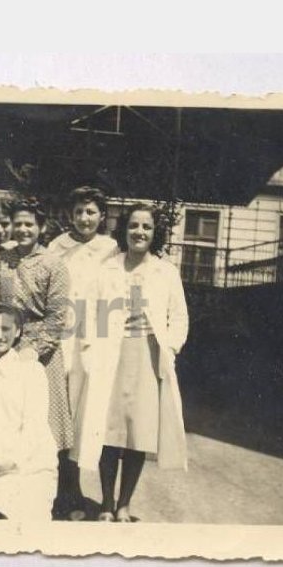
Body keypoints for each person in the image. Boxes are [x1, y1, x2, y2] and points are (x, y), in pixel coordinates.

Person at [74, 203, 189, 522]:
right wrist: (90, 350)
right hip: (111, 355)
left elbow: (179, 317)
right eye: (134, 226)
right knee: (108, 432)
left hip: (147, 357)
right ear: (124, 230)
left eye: (146, 227)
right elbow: (87, 311)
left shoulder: (165, 272)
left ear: (155, 233)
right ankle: (106, 504)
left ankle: (124, 504)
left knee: (138, 434)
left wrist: (171, 348)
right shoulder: (107, 268)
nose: (139, 232)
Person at [47, 186, 119, 519]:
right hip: (62, 334)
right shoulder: (57, 246)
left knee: (83, 412)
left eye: (91, 212)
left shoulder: (110, 249)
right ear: (70, 215)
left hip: (94, 336)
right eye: (78, 212)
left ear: (102, 216)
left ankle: (74, 489)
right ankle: (62, 487)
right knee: (59, 408)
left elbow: (114, 294)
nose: (84, 218)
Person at [0, 199, 73, 456]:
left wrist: (34, 350)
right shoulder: (4, 260)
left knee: (43, 423)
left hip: (42, 351)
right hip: (6, 343)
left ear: (41, 228)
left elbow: (56, 317)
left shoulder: (54, 264)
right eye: (17, 224)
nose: (22, 230)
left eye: (29, 224)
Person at [0, 304, 58, 521]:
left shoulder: (31, 371)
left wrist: (13, 461)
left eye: (6, 329)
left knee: (26, 515)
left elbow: (34, 426)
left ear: (17, 331)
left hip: (31, 462)